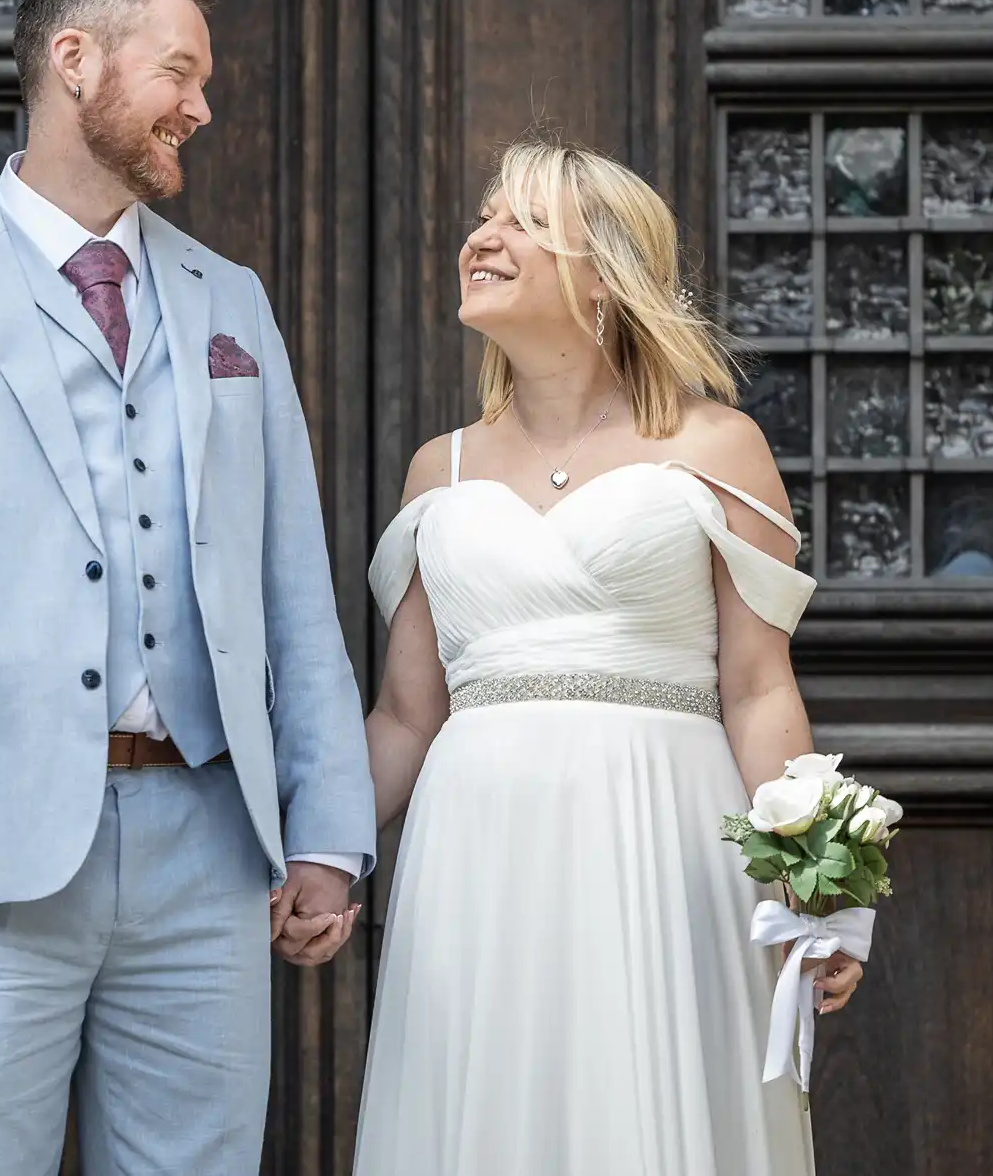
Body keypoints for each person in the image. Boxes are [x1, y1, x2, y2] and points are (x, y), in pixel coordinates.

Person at [0, 0, 375, 1176]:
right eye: (178, 72)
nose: (201, 107)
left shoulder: (233, 303)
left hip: (207, 841)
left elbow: (291, 594)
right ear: (74, 61)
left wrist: (325, 831)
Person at [353, 137, 864, 1175]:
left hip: (659, 836)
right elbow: (406, 714)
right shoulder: (434, 469)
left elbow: (758, 686)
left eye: (522, 222)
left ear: (603, 275)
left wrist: (829, 881)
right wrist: (311, 850)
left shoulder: (715, 445)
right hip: (473, 854)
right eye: (483, 215)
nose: (480, 237)